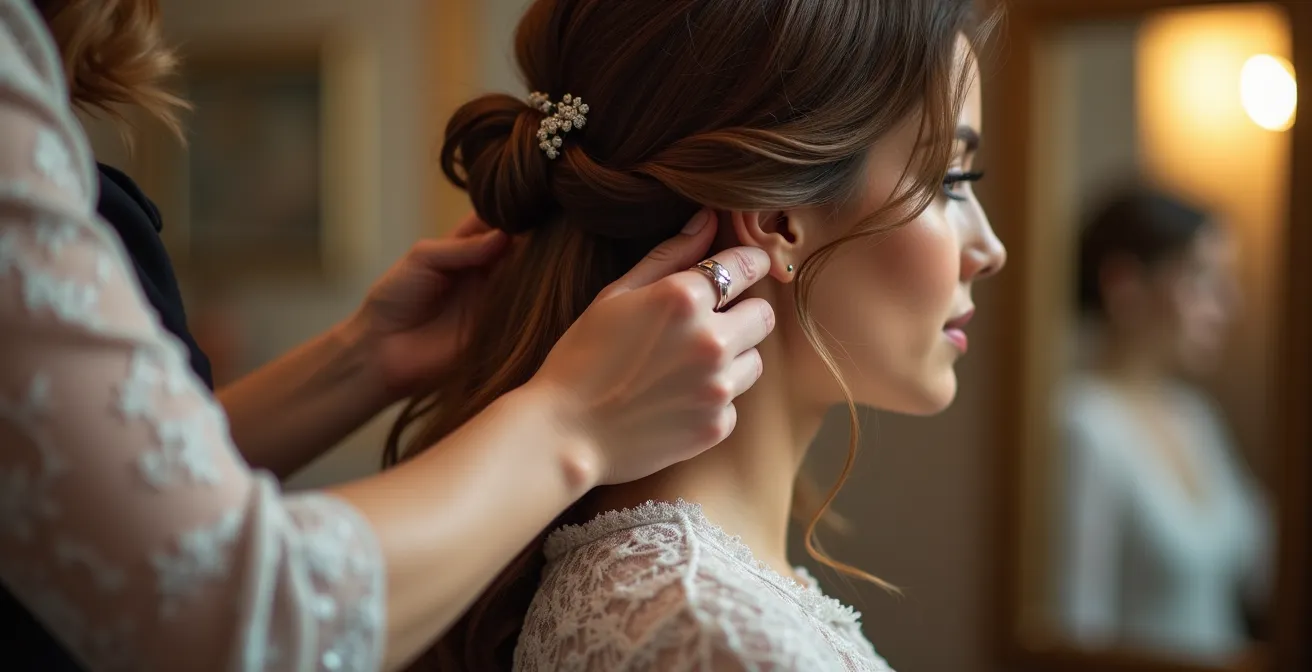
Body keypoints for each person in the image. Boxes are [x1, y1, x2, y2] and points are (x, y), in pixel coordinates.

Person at [0, 1, 779, 671]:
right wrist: (570, 425)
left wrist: (364, 359)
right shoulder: (692, 624)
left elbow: (83, 498)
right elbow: (205, 609)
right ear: (777, 223)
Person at [389, 0, 1007, 669]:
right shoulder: (712, 633)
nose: (991, 249)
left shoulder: (685, 603)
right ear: (777, 221)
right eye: (949, 181)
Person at [1055, 188, 1273, 664]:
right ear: (1124, 284)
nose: (1226, 303)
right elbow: (1076, 627)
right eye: (1202, 278)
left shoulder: (1197, 418)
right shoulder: (1083, 425)